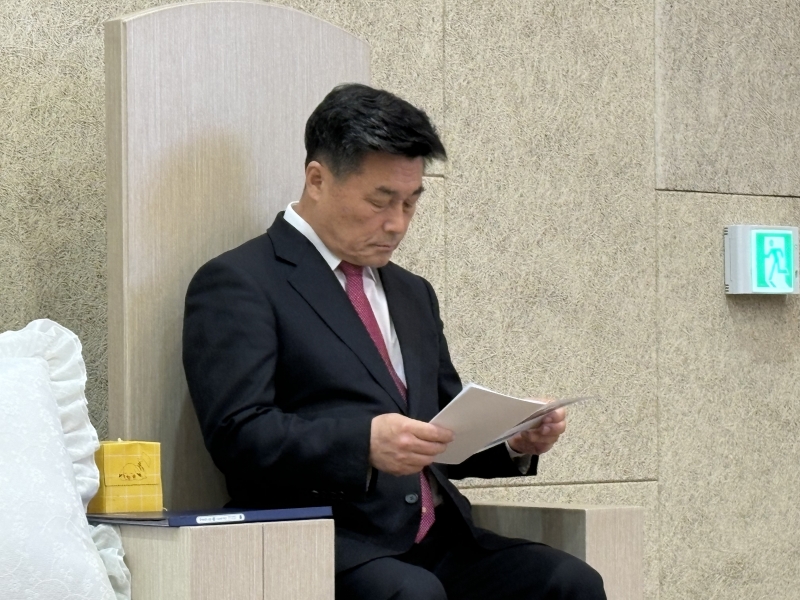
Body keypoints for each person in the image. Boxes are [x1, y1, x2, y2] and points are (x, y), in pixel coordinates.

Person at [182, 83, 606, 600]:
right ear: (317, 179)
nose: (397, 224)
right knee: (414, 594)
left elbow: (442, 427)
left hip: (439, 538)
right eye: (380, 201)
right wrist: (363, 444)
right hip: (328, 541)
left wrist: (514, 440)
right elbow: (237, 433)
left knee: (570, 583)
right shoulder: (241, 281)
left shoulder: (412, 292)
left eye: (410, 202)